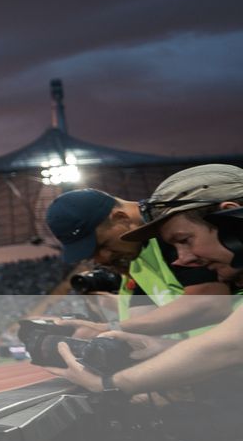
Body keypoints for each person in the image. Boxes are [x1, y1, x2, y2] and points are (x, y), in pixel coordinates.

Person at [42, 167, 243, 399]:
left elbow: (225, 337)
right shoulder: (138, 260)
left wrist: (110, 382)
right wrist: (161, 351)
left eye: (184, 240)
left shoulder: (172, 228)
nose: (183, 259)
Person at [41, 184, 237, 340]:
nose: (101, 259)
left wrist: (107, 329)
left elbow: (210, 304)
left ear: (121, 218)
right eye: (92, 255)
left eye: (102, 245)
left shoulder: (174, 230)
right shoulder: (136, 253)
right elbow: (139, 319)